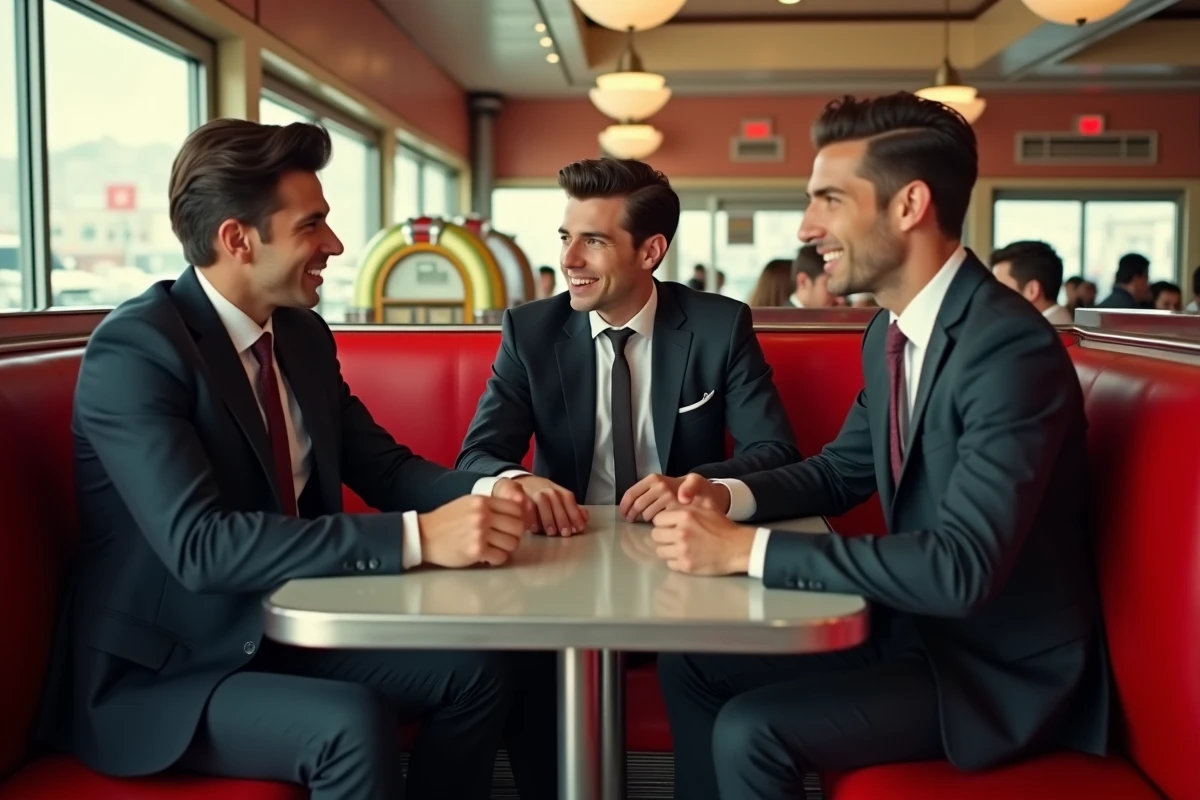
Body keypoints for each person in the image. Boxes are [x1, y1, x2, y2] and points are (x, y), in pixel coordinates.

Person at [35, 118, 535, 800]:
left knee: (479, 674)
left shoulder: (299, 335)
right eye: (312, 225)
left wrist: (495, 488)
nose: (334, 244)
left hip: (286, 632)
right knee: (349, 723)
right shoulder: (137, 351)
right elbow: (201, 546)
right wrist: (419, 537)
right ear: (237, 239)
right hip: (170, 673)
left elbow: (384, 468)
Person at [648, 93, 1108, 799]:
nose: (807, 228)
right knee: (691, 659)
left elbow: (963, 568)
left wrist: (746, 552)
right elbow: (842, 471)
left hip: (997, 674)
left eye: (829, 200)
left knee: (751, 728)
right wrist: (726, 495)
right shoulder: (890, 331)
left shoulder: (1010, 349)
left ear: (908, 205)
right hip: (915, 635)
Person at [455, 157, 799, 800]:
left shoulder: (720, 326)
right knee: (518, 669)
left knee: (700, 667)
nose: (570, 260)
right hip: (562, 566)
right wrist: (512, 481)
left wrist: (697, 482)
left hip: (685, 567)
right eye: (565, 237)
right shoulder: (530, 331)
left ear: (652, 250)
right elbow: (476, 455)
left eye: (594, 240)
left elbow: (775, 450)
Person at [989, 239, 1072, 324]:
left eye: (1000, 289)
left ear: (1032, 290)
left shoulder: (1043, 334)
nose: (993, 297)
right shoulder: (1059, 329)